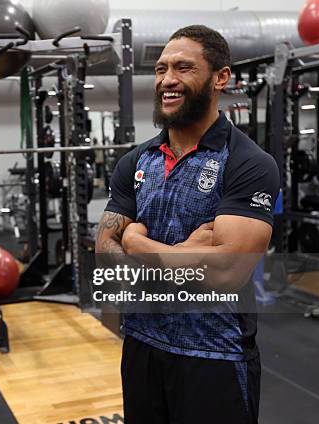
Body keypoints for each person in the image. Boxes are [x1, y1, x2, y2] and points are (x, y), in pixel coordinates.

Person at [96, 26, 279, 424]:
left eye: (183, 68)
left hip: (214, 356)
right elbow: (107, 259)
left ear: (221, 77)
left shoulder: (248, 163)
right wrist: (187, 256)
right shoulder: (135, 162)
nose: (167, 80)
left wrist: (139, 244)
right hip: (142, 349)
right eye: (161, 69)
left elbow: (227, 271)